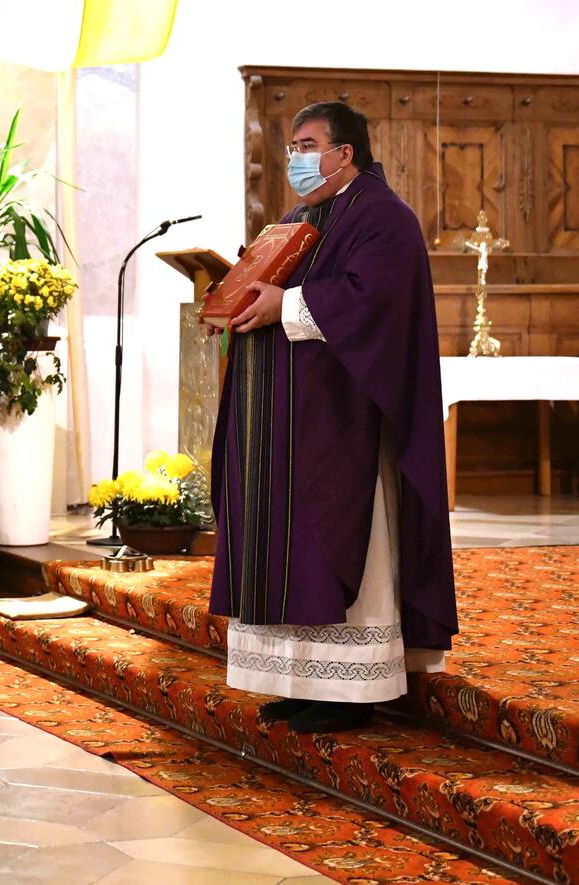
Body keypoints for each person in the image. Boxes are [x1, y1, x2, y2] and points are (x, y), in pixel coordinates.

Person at [207, 101, 458, 733]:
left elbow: (370, 302)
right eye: (292, 145)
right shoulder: (300, 217)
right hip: (291, 425)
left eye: (308, 144)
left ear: (345, 153)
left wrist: (284, 305)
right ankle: (298, 680)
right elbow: (282, 289)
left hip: (348, 426)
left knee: (346, 547)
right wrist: (240, 293)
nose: (296, 157)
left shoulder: (384, 218)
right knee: (292, 554)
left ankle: (350, 690)